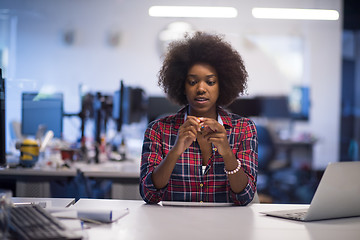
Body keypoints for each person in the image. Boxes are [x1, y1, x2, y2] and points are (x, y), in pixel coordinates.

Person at [140, 31, 258, 205]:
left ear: (222, 85)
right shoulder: (158, 129)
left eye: (210, 82)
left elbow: (245, 196)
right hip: (172, 227)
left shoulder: (243, 129)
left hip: (227, 228)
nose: (201, 89)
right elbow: (149, 195)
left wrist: (227, 153)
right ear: (181, 85)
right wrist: (175, 151)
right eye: (193, 82)